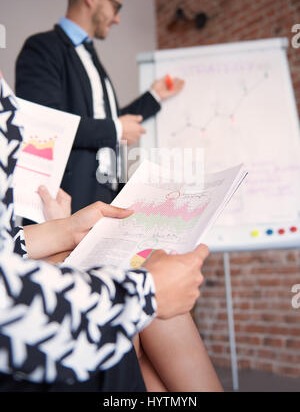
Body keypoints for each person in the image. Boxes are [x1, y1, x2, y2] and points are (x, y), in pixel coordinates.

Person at [0, 74, 212, 392]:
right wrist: (144, 293)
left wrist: (64, 230)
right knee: (144, 308)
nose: (117, 19)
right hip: (20, 341)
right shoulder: (43, 50)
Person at [15, 0, 185, 214]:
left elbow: (103, 122)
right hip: (66, 209)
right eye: (116, 7)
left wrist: (155, 96)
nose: (117, 19)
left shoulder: (92, 59)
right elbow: (47, 126)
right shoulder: (42, 49)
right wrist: (115, 129)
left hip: (105, 198)